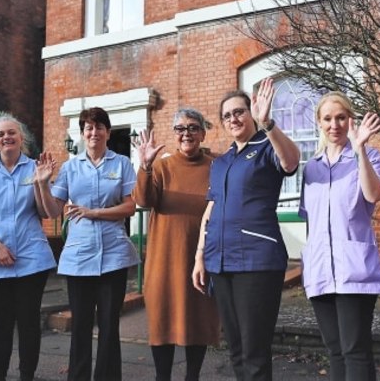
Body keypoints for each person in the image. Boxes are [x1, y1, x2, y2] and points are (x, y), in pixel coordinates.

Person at [192, 78, 300, 381]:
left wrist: (269, 124)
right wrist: (200, 256)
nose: (233, 119)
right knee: (236, 348)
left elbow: (291, 162)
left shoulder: (268, 146)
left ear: (251, 113)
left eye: (239, 112)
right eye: (227, 115)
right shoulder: (221, 162)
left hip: (257, 261)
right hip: (220, 261)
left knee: (254, 351)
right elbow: (210, 210)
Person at [35, 107, 140, 381]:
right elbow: (52, 211)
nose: (94, 132)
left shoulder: (122, 164)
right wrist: (44, 185)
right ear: (83, 134)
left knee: (109, 326)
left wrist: (94, 213)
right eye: (88, 128)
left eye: (99, 127)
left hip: (114, 255)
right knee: (80, 326)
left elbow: (130, 207)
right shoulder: (70, 167)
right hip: (79, 257)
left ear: (107, 131)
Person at [298, 91, 380, 380]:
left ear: (351, 120)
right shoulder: (311, 168)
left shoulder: (369, 155)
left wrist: (360, 149)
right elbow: (310, 220)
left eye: (341, 117)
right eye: (327, 119)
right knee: (334, 350)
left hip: (354, 271)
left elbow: (373, 195)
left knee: (355, 350)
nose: (334, 124)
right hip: (320, 270)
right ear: (319, 123)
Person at [0, 115, 57, 381]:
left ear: (22, 138)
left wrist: (41, 183)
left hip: (32, 258)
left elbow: (44, 212)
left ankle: (27, 376)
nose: (7, 137)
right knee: (1, 323)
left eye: (12, 133)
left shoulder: (34, 168)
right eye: (1, 134)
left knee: (29, 323)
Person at [133, 108, 220, 381]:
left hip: (202, 259)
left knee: (197, 320)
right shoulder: (161, 166)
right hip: (164, 260)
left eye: (193, 128)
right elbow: (143, 200)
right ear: (174, 135)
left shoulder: (216, 166)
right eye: (180, 129)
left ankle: (192, 376)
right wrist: (145, 166)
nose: (187, 134)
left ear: (203, 133)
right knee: (163, 321)